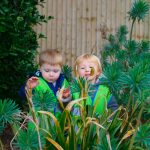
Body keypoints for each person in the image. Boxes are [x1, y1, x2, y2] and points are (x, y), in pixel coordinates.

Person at [19, 49, 71, 118]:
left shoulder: (63, 82)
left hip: (58, 122)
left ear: (60, 69)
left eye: (55, 71)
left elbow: (68, 101)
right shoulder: (36, 81)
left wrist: (66, 97)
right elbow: (22, 95)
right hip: (39, 122)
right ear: (40, 68)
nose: (51, 74)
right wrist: (28, 88)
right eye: (47, 70)